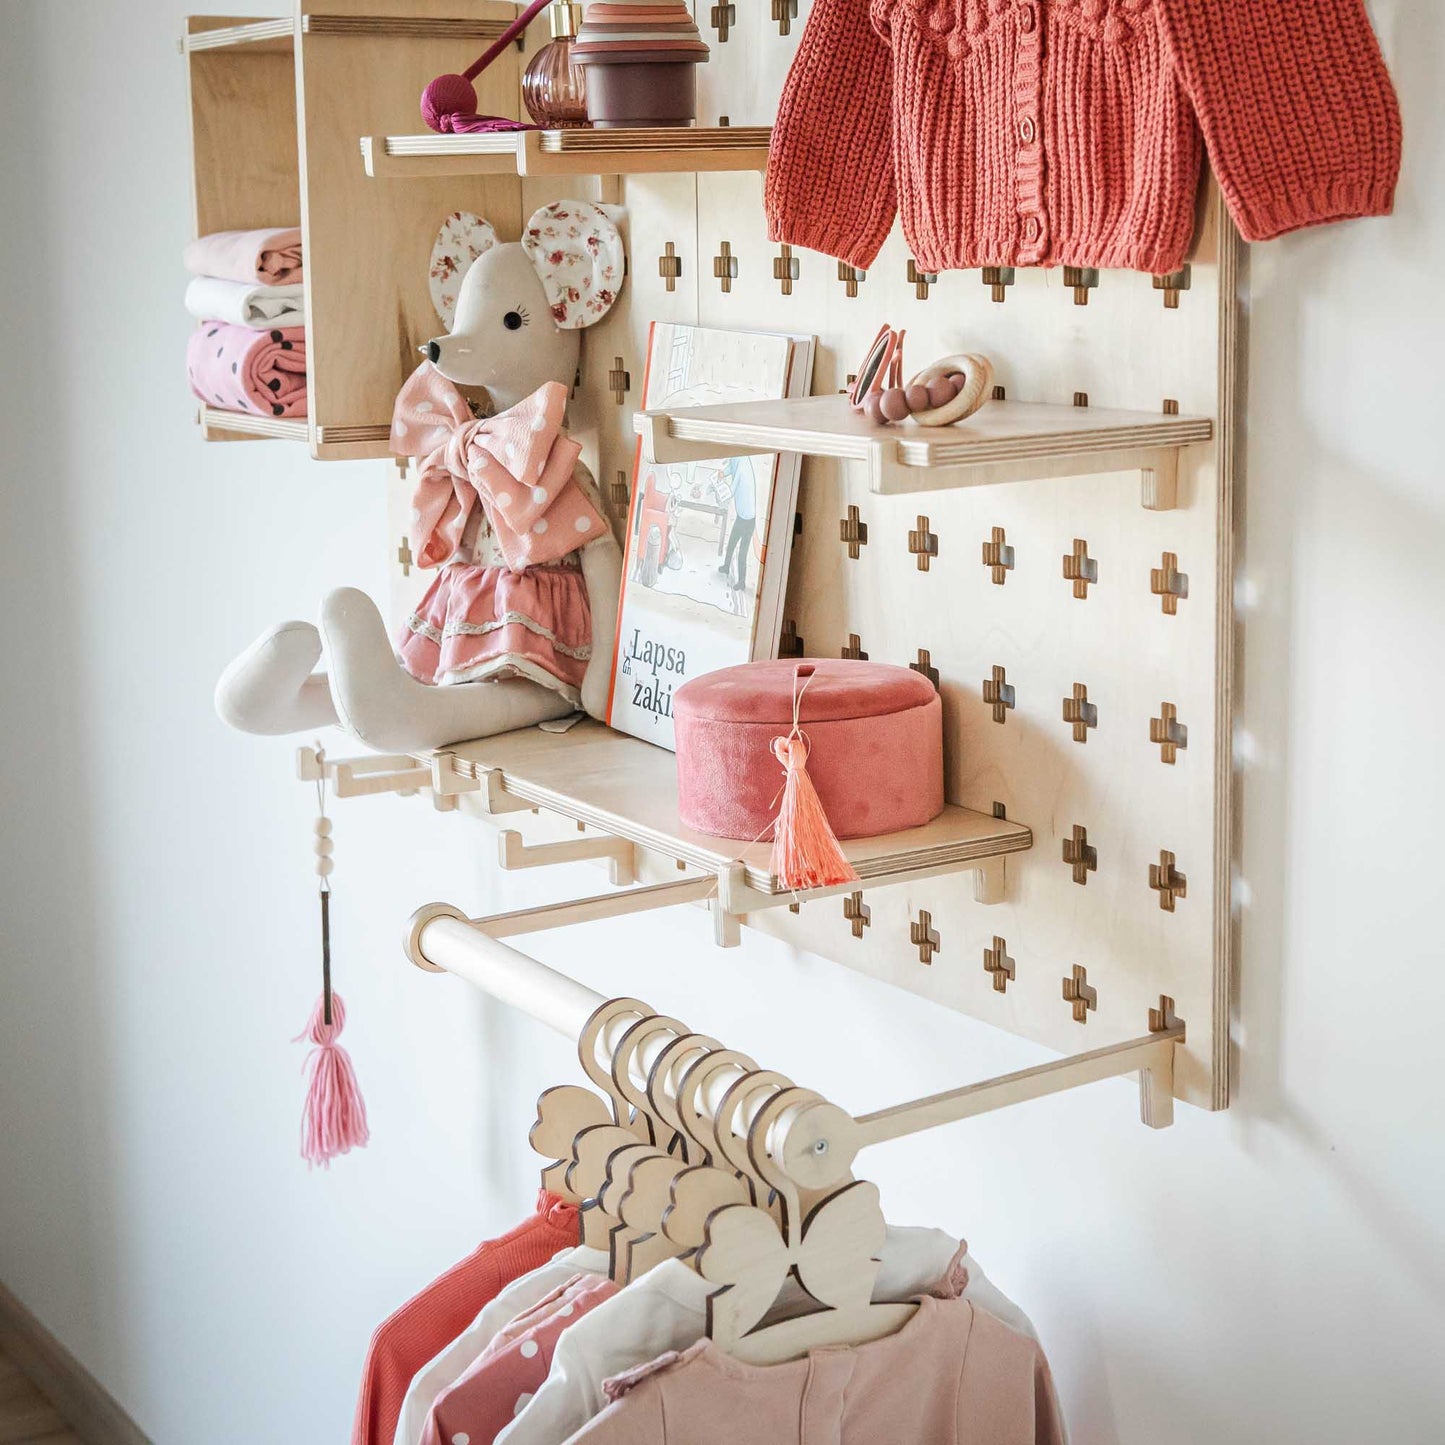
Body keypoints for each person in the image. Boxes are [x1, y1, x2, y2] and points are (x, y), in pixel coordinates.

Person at [718, 458, 756, 592]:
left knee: (742, 552)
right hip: (741, 516)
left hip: (748, 519)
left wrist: (720, 489)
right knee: (732, 543)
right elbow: (730, 467)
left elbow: (732, 488)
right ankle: (726, 566)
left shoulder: (743, 464)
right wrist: (724, 472)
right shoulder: (736, 458)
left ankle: (741, 582)